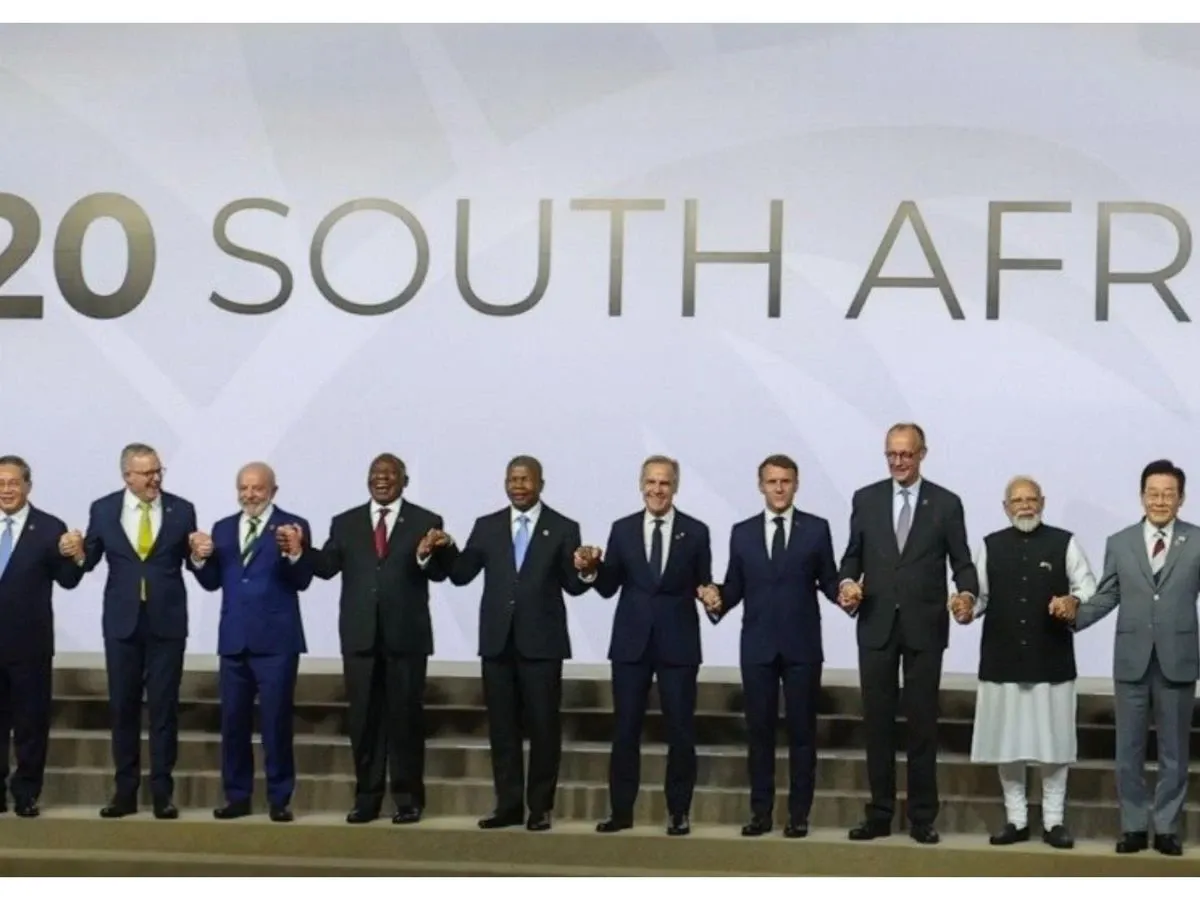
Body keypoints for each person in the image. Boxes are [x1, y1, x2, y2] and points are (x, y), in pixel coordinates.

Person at [837, 423, 978, 845]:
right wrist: (846, 584)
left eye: (906, 454)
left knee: (922, 726)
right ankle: (879, 813)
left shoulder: (947, 503)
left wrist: (967, 595)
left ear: (923, 454)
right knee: (877, 725)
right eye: (891, 455)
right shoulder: (866, 499)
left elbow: (963, 563)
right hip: (876, 625)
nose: (898, 461)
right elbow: (851, 557)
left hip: (924, 628)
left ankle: (921, 817)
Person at [440, 455, 591, 832]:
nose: (518, 486)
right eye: (512, 479)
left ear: (540, 483)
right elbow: (461, 574)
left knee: (543, 728)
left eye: (525, 479)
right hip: (497, 644)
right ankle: (507, 805)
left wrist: (586, 568)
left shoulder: (562, 527)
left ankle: (539, 807)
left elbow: (573, 584)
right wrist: (442, 548)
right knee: (502, 729)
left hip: (542, 645)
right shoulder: (487, 526)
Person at [1058, 459, 1200, 857]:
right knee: (1129, 750)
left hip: (1178, 660)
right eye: (1153, 493)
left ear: (1181, 498)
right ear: (1142, 496)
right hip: (1132, 661)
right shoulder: (1120, 542)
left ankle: (1168, 828)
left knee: (1175, 751)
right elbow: (1107, 594)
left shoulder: (1197, 540)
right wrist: (1074, 614)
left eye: (1168, 494)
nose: (1160, 501)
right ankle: (1134, 827)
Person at [303, 453, 452, 825]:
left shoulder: (425, 521)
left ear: (404, 480)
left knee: (405, 721)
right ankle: (366, 799)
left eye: (389, 474)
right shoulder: (346, 522)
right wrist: (299, 552)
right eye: (375, 474)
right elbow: (326, 567)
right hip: (360, 639)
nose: (381, 479)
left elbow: (440, 573)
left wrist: (424, 557)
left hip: (406, 638)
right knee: (364, 723)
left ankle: (408, 800)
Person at [702, 454, 844, 838]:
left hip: (802, 647)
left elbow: (829, 581)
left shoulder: (816, 529)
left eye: (786, 481)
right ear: (760, 485)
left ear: (796, 484)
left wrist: (847, 593)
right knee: (759, 734)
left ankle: (799, 815)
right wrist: (716, 598)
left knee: (802, 734)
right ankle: (760, 813)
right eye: (772, 481)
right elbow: (734, 586)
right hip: (758, 647)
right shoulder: (742, 532)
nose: (779, 488)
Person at [951, 475, 1096, 850]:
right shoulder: (991, 545)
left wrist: (1072, 602)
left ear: (1043, 502)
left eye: (1032, 499)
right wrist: (965, 607)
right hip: (1003, 662)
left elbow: (1088, 587)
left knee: (1055, 746)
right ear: (1005, 507)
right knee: (1007, 744)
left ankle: (1054, 821)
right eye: (1017, 501)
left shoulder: (1064, 542)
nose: (1025, 506)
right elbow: (978, 598)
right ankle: (1015, 819)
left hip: (1052, 662)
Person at [59, 442, 201, 820]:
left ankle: (162, 793)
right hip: (122, 624)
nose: (155, 478)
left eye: (158, 471)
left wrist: (202, 555)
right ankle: (124, 791)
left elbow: (195, 563)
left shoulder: (181, 509)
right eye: (147, 473)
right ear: (127, 476)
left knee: (163, 709)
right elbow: (87, 562)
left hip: (167, 623)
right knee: (122, 708)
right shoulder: (104, 509)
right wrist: (73, 551)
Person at [580, 455, 714, 837]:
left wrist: (710, 595)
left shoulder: (697, 531)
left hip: (679, 645)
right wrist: (591, 568)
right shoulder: (622, 530)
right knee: (625, 730)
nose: (657, 490)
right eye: (651, 483)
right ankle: (621, 811)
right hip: (631, 645)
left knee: (681, 732)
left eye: (665, 483)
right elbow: (608, 586)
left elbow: (702, 581)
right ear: (642, 485)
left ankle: (678, 812)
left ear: (675, 487)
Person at [190, 462, 314, 823]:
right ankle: (237, 796)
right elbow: (213, 581)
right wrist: (199, 558)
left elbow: (302, 578)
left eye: (257, 488)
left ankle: (279, 798)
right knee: (233, 723)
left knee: (276, 723)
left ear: (273, 491)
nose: (249, 495)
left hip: (277, 642)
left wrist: (295, 552)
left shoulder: (293, 526)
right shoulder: (224, 528)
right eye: (243, 488)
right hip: (234, 641)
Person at [0, 455, 83, 817]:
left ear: (28, 486)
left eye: (13, 483)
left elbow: (67, 580)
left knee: (31, 724)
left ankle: (26, 792)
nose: (6, 490)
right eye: (0, 483)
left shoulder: (50, 528)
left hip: (29, 645)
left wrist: (76, 555)